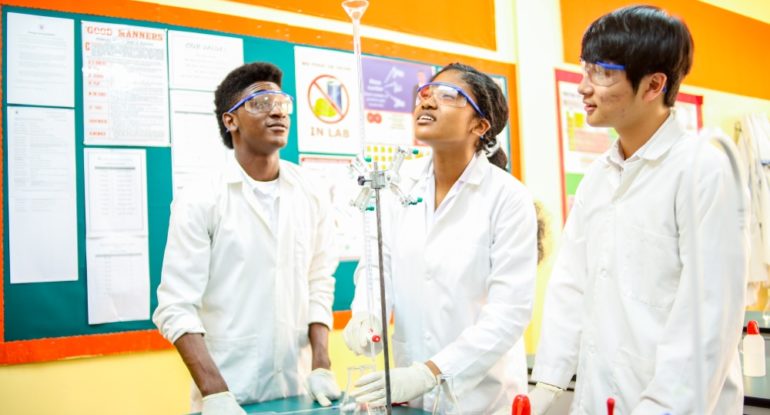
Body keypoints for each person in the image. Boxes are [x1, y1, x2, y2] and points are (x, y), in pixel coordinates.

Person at [530, 6, 748, 414]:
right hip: (601, 398)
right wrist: (547, 383)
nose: (583, 87)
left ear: (653, 85)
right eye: (584, 69)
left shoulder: (704, 170)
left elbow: (707, 319)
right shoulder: (599, 176)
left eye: (601, 73)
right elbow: (572, 283)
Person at [344, 62, 538, 413]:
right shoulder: (399, 185)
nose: (428, 101)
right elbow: (377, 265)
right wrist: (366, 314)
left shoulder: (508, 198)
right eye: (425, 93)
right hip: (414, 399)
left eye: (449, 95)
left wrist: (432, 371)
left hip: (483, 400)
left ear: (480, 125)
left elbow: (509, 312)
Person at [153, 62, 341, 414]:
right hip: (229, 391)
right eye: (261, 102)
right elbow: (175, 307)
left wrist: (321, 365)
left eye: (282, 103)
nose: (277, 112)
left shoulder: (312, 191)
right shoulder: (200, 198)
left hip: (299, 390)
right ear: (231, 120)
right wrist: (215, 393)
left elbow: (319, 283)